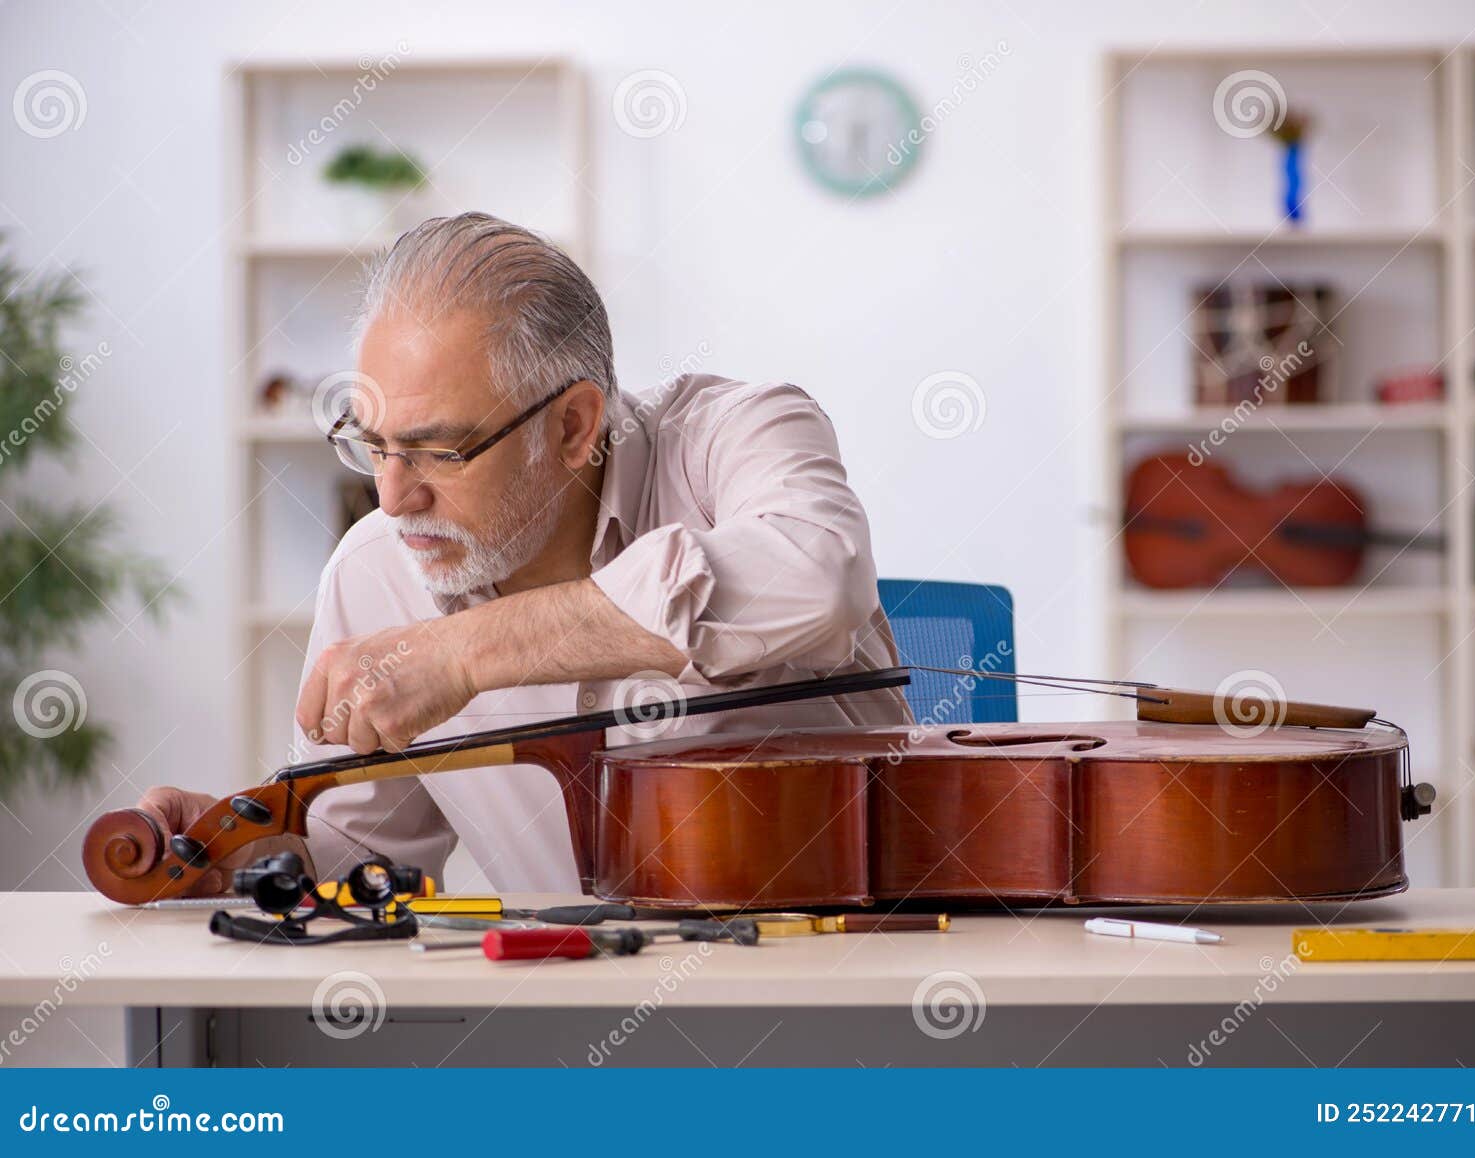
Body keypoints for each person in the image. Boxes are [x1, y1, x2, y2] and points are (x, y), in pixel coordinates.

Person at [134, 213, 907, 894]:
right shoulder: (374, 569)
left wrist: (464, 654)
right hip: (578, 1031)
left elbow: (820, 575)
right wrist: (243, 861)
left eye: (438, 451)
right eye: (374, 448)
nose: (395, 498)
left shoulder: (737, 434)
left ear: (573, 426)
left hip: (862, 992)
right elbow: (359, 861)